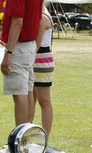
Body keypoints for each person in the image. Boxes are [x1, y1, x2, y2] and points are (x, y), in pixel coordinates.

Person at [0, 0, 43, 128]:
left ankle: (20, 139)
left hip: (19, 46)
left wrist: (8, 52)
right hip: (29, 45)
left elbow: (17, 23)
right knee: (27, 91)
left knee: (19, 96)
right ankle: (26, 137)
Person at [33, 1, 53, 135]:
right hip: (40, 60)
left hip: (40, 61)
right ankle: (24, 134)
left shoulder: (41, 17)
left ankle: (45, 137)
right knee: (31, 101)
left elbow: (36, 45)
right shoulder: (43, 13)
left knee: (44, 101)